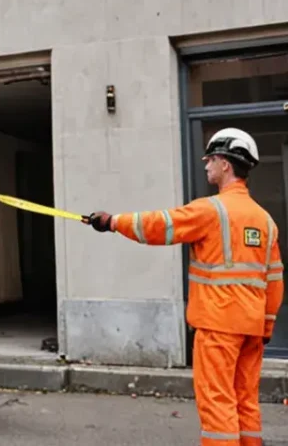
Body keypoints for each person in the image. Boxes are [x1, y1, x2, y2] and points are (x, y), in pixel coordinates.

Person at [86, 128, 282, 446]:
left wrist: (112, 222)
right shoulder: (265, 221)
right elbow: (274, 280)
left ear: (225, 165)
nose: (206, 165)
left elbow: (159, 225)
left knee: (218, 406)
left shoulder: (211, 210)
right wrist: (266, 325)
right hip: (253, 328)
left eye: (210, 159)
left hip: (218, 326)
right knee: (245, 401)